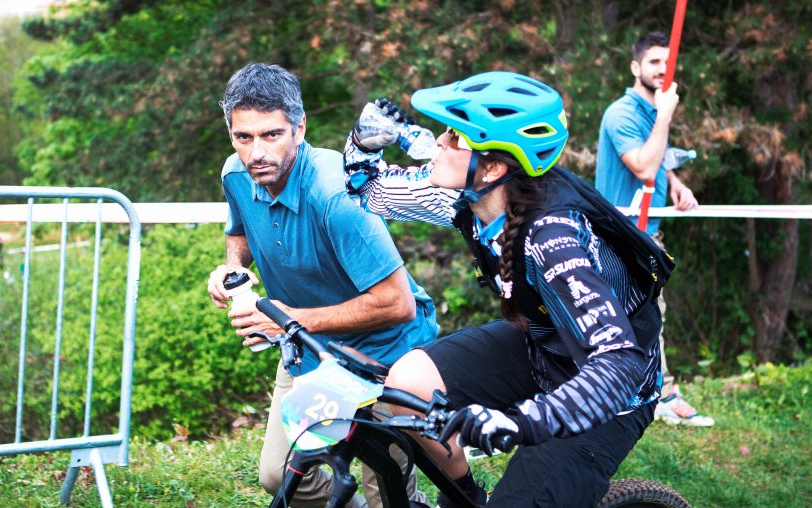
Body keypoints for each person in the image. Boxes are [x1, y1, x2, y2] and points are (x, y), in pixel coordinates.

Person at [343, 71, 674, 507]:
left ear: (494, 167)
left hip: (610, 394)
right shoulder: (470, 198)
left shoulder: (553, 238)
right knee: (409, 388)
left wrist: (521, 424)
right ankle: (466, 499)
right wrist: (363, 143)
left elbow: (618, 363)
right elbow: (369, 190)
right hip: (546, 349)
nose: (440, 143)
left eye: (454, 137)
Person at [206, 63, 438, 508]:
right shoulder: (237, 173)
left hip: (389, 353)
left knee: (387, 490)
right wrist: (230, 267)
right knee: (281, 477)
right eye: (243, 137)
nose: (256, 152)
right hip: (308, 351)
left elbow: (398, 303)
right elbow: (240, 230)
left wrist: (288, 320)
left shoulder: (336, 194)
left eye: (271, 134)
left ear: (299, 127)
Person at [595, 31, 714, 427]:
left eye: (668, 63)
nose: (663, 70)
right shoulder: (623, 114)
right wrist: (665, 114)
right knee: (634, 315)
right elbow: (643, 165)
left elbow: (659, 161)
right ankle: (656, 394)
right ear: (635, 67)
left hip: (648, 233)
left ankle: (651, 392)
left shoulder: (649, 114)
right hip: (621, 235)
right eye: (654, 63)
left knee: (647, 315)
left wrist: (677, 186)